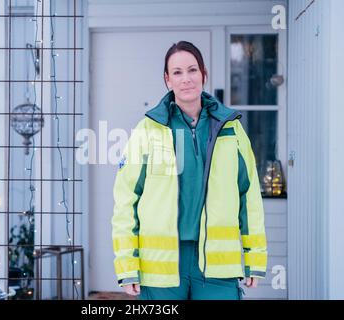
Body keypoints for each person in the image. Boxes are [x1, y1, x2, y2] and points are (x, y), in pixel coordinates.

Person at [111, 41, 267, 300]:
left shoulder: (231, 129)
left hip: (218, 266)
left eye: (192, 70)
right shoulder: (147, 131)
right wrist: (127, 265)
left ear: (203, 75)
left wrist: (255, 257)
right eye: (177, 72)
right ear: (167, 80)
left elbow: (249, 197)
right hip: (160, 268)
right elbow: (126, 200)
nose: (186, 79)